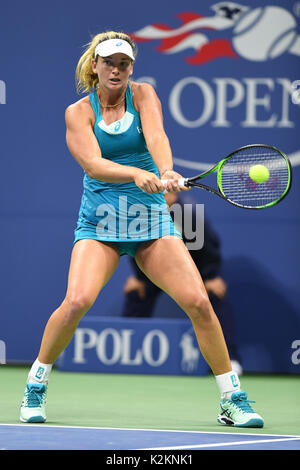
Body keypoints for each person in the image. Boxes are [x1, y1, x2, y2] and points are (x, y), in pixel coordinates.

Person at [20, 31, 263, 427]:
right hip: (101, 222)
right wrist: (136, 173)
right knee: (78, 301)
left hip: (150, 221)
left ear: (131, 67)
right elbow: (94, 165)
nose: (116, 70)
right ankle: (37, 384)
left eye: (124, 63)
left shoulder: (144, 94)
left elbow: (156, 136)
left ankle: (231, 397)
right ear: (95, 66)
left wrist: (165, 170)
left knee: (199, 303)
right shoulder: (78, 112)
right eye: (109, 63)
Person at [122, 191, 243, 376]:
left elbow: (208, 248)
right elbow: (137, 245)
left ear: (175, 194)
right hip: (156, 268)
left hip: (193, 270)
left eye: (168, 191)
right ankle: (127, 354)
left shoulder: (189, 212)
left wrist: (211, 277)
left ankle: (230, 359)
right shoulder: (144, 212)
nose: (164, 195)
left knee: (213, 296)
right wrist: (139, 277)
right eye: (159, 191)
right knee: (137, 292)